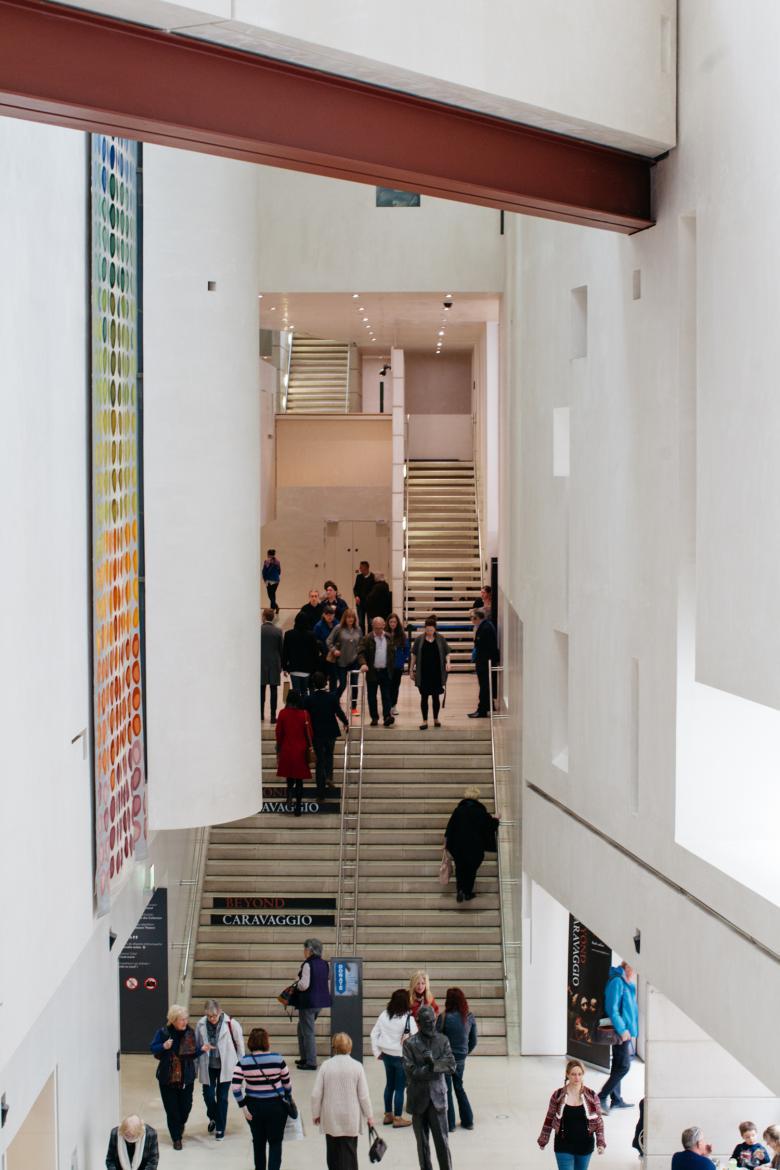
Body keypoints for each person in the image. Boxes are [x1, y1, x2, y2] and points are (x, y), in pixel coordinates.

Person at [402, 1005, 456, 1170]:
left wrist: (433, 1064)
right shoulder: (410, 1044)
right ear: (418, 1023)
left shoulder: (442, 1040)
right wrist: (430, 1069)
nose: (431, 1024)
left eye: (433, 1021)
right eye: (427, 1022)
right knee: (422, 1145)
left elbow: (451, 1065)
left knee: (442, 1143)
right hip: (418, 1099)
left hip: (437, 1099)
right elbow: (410, 1071)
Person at [311, 1032, 375, 1170]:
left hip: (331, 1116)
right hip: (350, 1118)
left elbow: (316, 1094)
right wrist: (369, 1116)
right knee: (350, 1154)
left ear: (334, 1048)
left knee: (333, 1154)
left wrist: (316, 1114)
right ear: (350, 1047)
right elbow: (364, 1096)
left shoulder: (326, 1066)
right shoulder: (357, 1066)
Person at [231, 1027, 292, 1170]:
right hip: (277, 1106)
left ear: (250, 1042)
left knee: (258, 1143)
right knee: (275, 1143)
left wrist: (243, 1107)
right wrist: (287, 1097)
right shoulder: (278, 1059)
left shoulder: (243, 1062)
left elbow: (235, 1087)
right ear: (266, 1041)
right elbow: (287, 1084)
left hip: (254, 1107)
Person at [150, 1004, 206, 1151]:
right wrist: (163, 1046)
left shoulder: (190, 1033)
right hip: (167, 1078)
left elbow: (192, 1053)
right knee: (172, 1110)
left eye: (186, 1019)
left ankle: (180, 1124)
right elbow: (153, 1048)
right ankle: (176, 1138)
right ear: (173, 1020)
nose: (185, 1022)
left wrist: (202, 1050)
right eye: (182, 1020)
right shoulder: (163, 1033)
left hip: (186, 1077)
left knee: (186, 1108)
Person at [537, 1058, 606, 1168]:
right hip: (563, 1145)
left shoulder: (592, 1096)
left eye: (580, 1074)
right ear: (567, 1074)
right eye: (573, 1074)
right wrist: (543, 1140)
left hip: (585, 1146)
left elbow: (599, 1122)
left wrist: (600, 1143)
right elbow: (549, 1118)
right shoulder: (557, 1095)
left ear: (583, 1074)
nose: (577, 1078)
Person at [195, 998, 245, 1140]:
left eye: (214, 1016)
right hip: (208, 1066)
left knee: (222, 1098)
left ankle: (220, 1128)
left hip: (226, 1066)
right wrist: (195, 1067)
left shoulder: (232, 1024)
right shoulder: (200, 1024)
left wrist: (242, 1068)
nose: (212, 1019)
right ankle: (214, 1117)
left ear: (220, 1012)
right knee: (208, 1095)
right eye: (209, 1016)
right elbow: (197, 1047)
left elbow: (240, 1046)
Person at [370, 987, 418, 1128]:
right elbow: (415, 1039)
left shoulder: (384, 1015)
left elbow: (373, 1034)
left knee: (389, 1085)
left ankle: (388, 1115)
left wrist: (376, 1052)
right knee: (399, 1088)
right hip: (402, 1057)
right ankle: (398, 1117)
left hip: (386, 1056)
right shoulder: (408, 1019)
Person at [444, 786, 499, 903]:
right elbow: (490, 826)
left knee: (460, 868)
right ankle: (467, 892)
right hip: (475, 847)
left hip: (458, 847)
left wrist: (446, 845)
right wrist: (496, 819)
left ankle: (460, 890)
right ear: (477, 797)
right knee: (471, 869)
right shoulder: (480, 811)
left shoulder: (458, 810)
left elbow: (450, 829)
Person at [597, 961, 638, 1113]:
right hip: (620, 1031)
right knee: (624, 1066)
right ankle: (601, 1097)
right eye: (633, 966)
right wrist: (622, 1029)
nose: (634, 970)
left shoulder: (627, 982)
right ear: (626, 965)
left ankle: (616, 1099)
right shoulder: (617, 982)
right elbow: (612, 1009)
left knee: (618, 1064)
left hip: (626, 1031)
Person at [436, 987, 477, 1132]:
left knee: (447, 1090)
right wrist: (464, 1054)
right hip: (460, 1059)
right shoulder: (470, 1017)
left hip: (446, 1059)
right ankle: (468, 1121)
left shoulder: (444, 1017)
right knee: (459, 1088)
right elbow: (473, 1042)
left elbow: (437, 1039)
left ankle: (450, 1124)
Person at [305, 671, 349, 800]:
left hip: (317, 733)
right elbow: (338, 712)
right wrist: (346, 722)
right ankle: (329, 777)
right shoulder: (332, 697)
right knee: (329, 755)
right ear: (326, 682)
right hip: (331, 731)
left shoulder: (309, 699)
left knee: (319, 761)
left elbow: (305, 716)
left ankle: (320, 793)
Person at [275, 689, 313, 817]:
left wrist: (279, 746)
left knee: (289, 776)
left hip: (287, 748)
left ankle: (289, 794)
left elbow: (278, 733)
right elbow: (310, 733)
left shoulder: (282, 713)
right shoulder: (304, 714)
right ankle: (298, 807)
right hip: (300, 750)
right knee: (300, 780)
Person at [295, 937, 332, 1070]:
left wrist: (296, 982)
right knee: (301, 1029)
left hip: (308, 1003)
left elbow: (304, 985)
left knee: (308, 1032)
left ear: (310, 950)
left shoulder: (307, 964)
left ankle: (310, 1062)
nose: (304, 952)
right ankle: (304, 1057)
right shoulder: (324, 964)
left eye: (305, 949)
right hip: (320, 1003)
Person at [411, 619, 451, 729]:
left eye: (431, 630)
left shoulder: (440, 639)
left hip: (436, 673)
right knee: (424, 697)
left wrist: (448, 663)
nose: (429, 632)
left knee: (435, 697)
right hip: (423, 673)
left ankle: (436, 719)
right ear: (425, 628)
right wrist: (410, 670)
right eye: (427, 630)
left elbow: (447, 652)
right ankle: (424, 720)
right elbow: (414, 655)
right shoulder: (419, 639)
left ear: (435, 629)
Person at [358, 616, 395, 727]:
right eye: (376, 628)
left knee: (386, 695)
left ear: (384, 626)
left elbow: (392, 653)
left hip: (385, 671)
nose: (378, 630)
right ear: (372, 626)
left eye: (380, 627)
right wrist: (363, 663)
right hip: (372, 672)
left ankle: (387, 716)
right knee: (372, 696)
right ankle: (374, 717)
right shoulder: (367, 638)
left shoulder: (389, 637)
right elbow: (361, 653)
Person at [327, 608, 362, 710]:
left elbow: (361, 642)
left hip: (354, 661)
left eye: (352, 617)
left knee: (354, 685)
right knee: (342, 685)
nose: (350, 619)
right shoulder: (338, 628)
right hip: (341, 661)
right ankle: (334, 702)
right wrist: (334, 650)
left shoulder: (358, 629)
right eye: (348, 617)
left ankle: (354, 707)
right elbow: (329, 640)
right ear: (345, 618)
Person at [468, 608, 498, 719]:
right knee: (485, 686)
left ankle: (482, 710)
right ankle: (488, 707)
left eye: (472, 618)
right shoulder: (486, 626)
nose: (471, 620)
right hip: (485, 660)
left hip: (484, 662)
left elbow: (480, 645)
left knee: (484, 686)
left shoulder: (484, 628)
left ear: (477, 618)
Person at [282, 611, 320, 697]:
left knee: (296, 693)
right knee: (305, 692)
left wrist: (284, 667)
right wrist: (315, 668)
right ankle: (304, 710)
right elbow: (315, 653)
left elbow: (285, 652)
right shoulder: (311, 635)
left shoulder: (289, 634)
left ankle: (297, 709)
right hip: (307, 669)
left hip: (294, 668)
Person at [261, 608, 283, 723]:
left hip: (261, 663)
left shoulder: (258, 630)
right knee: (273, 690)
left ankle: (260, 714)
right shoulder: (278, 631)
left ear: (263, 617)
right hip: (274, 663)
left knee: (261, 689)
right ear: (273, 617)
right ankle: (273, 716)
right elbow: (281, 649)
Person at [386, 612, 410, 714]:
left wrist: (402, 659)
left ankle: (393, 706)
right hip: (386, 666)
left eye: (394, 622)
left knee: (395, 686)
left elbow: (407, 649)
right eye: (391, 622)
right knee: (387, 686)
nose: (392, 624)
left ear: (397, 623)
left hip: (397, 666)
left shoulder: (402, 635)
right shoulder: (384, 634)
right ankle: (387, 705)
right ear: (388, 623)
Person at [313, 604, 339, 685]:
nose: (330, 617)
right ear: (324, 615)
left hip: (334, 654)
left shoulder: (337, 624)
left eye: (331, 615)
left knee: (334, 677)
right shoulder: (318, 626)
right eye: (327, 615)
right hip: (324, 655)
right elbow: (315, 640)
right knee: (323, 677)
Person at [353, 560, 375, 632]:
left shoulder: (373, 577)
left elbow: (374, 591)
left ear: (366, 568)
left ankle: (369, 638)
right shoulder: (359, 577)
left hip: (370, 604)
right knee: (361, 622)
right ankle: (362, 638)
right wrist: (356, 596)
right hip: (360, 604)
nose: (360, 569)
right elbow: (355, 588)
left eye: (361, 567)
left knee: (370, 623)